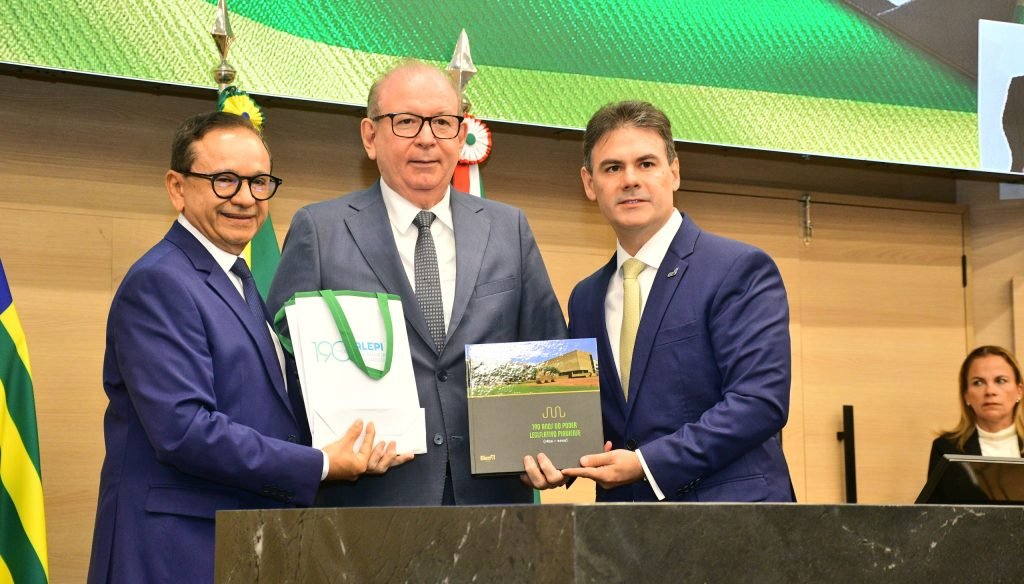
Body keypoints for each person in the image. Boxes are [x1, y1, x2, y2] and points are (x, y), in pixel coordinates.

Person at [88, 112, 408, 584]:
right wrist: (322, 463)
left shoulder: (236, 277)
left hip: (233, 540)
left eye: (259, 182)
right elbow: (185, 430)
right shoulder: (160, 282)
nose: (245, 198)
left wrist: (361, 435)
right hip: (174, 550)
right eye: (224, 180)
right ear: (177, 187)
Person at [268, 61, 566, 507]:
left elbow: (546, 349)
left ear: (460, 135)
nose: (427, 139)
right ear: (370, 136)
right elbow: (282, 369)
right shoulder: (320, 231)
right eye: (406, 121)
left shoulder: (509, 228)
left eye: (443, 123)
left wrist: (553, 451)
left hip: (492, 502)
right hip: (368, 502)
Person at [523, 101, 794, 502]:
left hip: (731, 518)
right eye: (612, 168)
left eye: (646, 164)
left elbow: (759, 402)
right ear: (589, 183)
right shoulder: (586, 298)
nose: (630, 180)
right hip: (622, 526)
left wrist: (647, 463)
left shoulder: (738, 269)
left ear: (674, 172)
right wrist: (548, 459)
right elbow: (586, 419)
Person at [928, 345, 1024, 475]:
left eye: (1001, 381)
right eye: (978, 382)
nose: (990, 391)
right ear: (966, 395)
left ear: (1019, 391)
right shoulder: (946, 448)